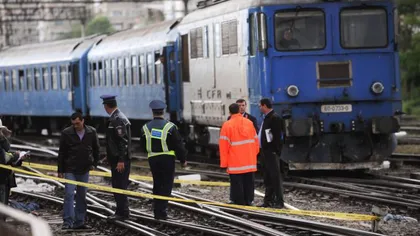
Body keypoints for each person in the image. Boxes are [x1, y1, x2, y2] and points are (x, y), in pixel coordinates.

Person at [140, 100, 187, 220]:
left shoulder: (145, 127)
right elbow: (179, 145)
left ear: (153, 112)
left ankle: (157, 211)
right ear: (163, 112)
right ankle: (162, 211)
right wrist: (183, 160)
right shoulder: (170, 127)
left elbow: (142, 146)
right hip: (167, 159)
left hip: (153, 159)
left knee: (157, 183)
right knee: (166, 185)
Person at [57, 112, 100, 230]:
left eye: (77, 123)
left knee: (82, 196)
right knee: (69, 194)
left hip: (85, 169)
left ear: (82, 121)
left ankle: (79, 221)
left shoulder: (91, 132)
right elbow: (62, 152)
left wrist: (94, 163)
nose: (75, 126)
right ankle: (68, 221)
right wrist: (60, 170)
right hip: (70, 168)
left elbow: (96, 149)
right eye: (73, 124)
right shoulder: (66, 133)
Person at [219, 103, 259, 206]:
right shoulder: (249, 123)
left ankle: (239, 203)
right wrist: (253, 155)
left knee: (237, 184)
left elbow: (224, 146)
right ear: (239, 110)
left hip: (235, 162)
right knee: (249, 183)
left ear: (230, 112)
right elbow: (256, 141)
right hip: (249, 161)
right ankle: (249, 201)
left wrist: (224, 163)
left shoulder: (227, 125)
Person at [101, 95, 132, 220]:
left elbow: (122, 142)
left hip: (121, 161)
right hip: (117, 159)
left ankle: (122, 213)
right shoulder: (117, 117)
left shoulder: (117, 119)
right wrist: (108, 156)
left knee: (119, 185)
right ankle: (121, 211)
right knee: (118, 185)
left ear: (106, 106)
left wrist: (121, 160)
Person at [258, 98, 285, 208]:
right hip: (265, 152)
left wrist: (275, 151)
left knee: (275, 177)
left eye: (260, 106)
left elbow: (279, 137)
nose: (259, 108)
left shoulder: (274, 118)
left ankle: (279, 201)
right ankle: (268, 201)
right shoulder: (267, 118)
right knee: (268, 177)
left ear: (264, 106)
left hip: (271, 152)